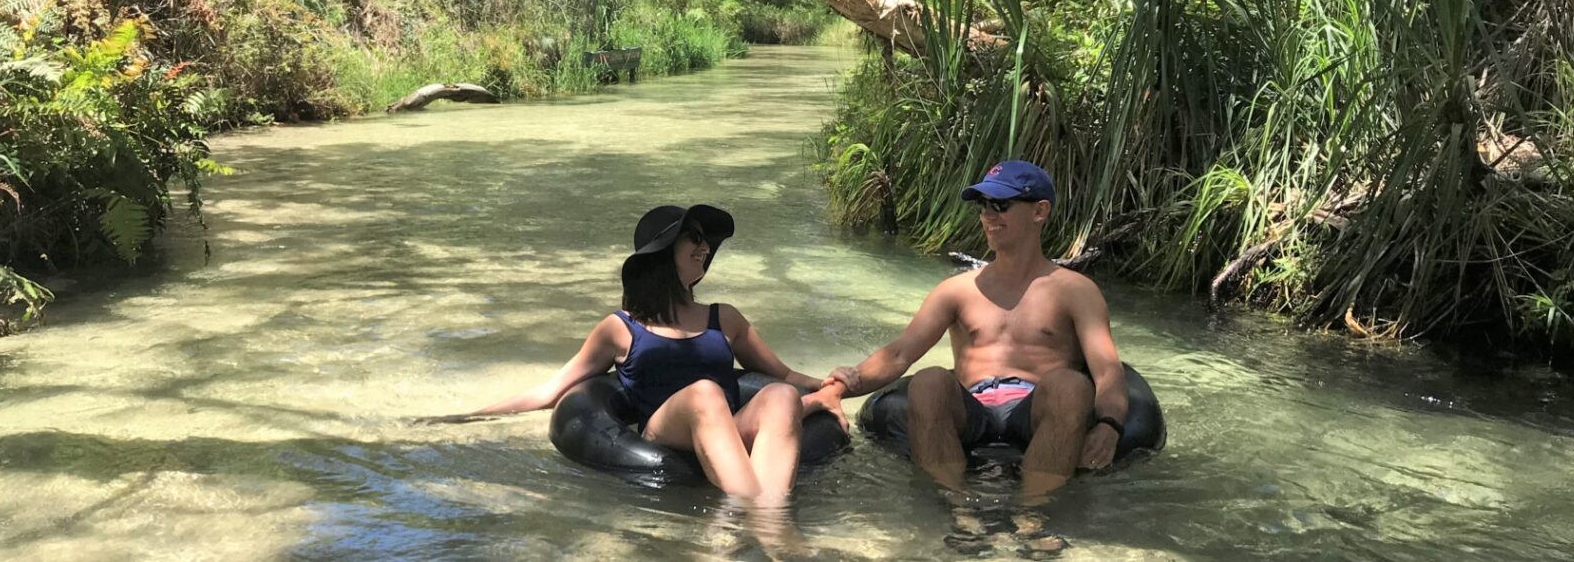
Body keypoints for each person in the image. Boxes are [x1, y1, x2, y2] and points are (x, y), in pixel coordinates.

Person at [475, 204, 845, 505]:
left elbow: (784, 376)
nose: (706, 248)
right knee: (706, 392)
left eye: (707, 242)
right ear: (664, 252)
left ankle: (770, 516)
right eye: (695, 238)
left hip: (730, 427)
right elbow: (552, 390)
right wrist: (469, 416)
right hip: (664, 431)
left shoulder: (725, 318)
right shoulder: (621, 327)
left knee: (779, 395)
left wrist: (833, 385)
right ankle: (760, 521)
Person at [808, 161, 1130, 503]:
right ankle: (958, 509)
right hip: (973, 407)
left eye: (1001, 205)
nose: (989, 216)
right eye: (984, 206)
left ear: (1039, 211)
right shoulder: (957, 290)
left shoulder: (1076, 291)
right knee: (929, 379)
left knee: (1070, 385)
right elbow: (900, 353)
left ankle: (1032, 516)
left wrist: (1110, 425)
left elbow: (1107, 370)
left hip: (1038, 411)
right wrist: (841, 388)